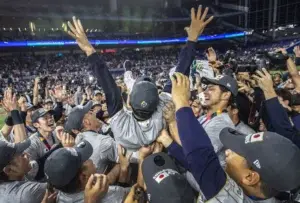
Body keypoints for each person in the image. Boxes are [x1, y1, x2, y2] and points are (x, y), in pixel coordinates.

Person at [65, 5, 213, 151]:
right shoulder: (164, 110)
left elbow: (110, 88)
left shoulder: (121, 130)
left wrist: (89, 50)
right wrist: (192, 38)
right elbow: (180, 73)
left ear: (130, 103)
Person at [165, 72, 300, 202]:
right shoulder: (211, 117)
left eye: (239, 152)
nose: (228, 151)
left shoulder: (221, 123)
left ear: (250, 177)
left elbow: (197, 158)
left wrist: (179, 108)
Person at [44, 140, 130, 203]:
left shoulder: (60, 193)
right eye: (86, 159)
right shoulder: (108, 196)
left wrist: (120, 167)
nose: (91, 160)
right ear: (83, 177)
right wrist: (127, 168)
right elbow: (139, 193)